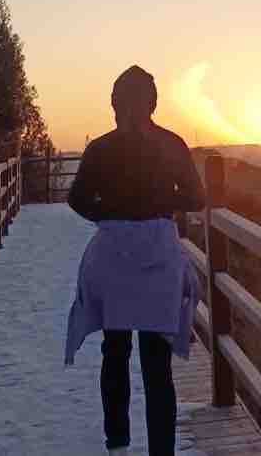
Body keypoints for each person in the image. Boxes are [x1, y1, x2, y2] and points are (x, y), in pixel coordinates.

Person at [65, 65, 205, 455]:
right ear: (152, 103)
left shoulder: (100, 149)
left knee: (115, 352)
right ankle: (162, 450)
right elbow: (197, 198)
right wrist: (161, 204)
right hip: (159, 257)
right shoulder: (172, 144)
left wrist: (110, 216)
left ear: (115, 103)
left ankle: (118, 445)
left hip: (113, 256)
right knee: (157, 365)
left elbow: (77, 199)